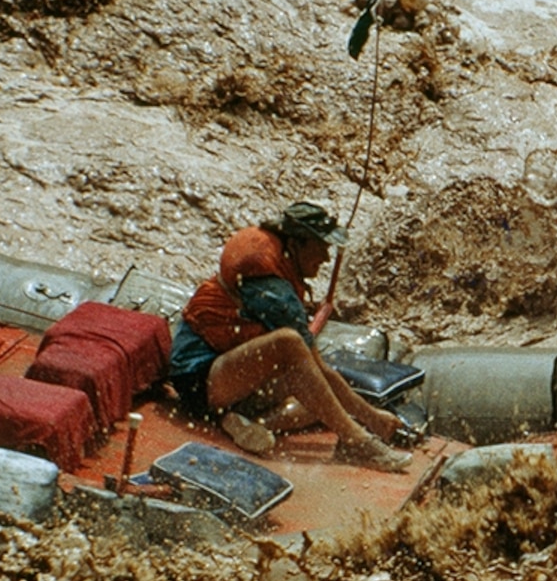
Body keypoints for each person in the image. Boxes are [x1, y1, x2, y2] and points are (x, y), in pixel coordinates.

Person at [171, 202, 411, 473]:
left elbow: (316, 376)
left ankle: (250, 425)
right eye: (321, 247)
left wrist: (367, 414)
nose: (325, 257)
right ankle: (357, 442)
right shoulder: (272, 289)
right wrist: (371, 418)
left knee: (318, 402)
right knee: (290, 343)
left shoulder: (281, 262)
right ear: (297, 243)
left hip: (233, 374)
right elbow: (316, 363)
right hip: (199, 377)